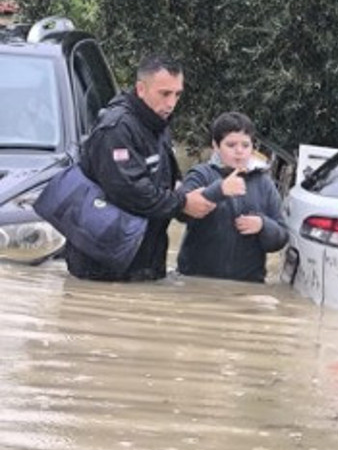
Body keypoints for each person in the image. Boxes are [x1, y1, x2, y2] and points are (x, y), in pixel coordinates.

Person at [65, 54, 215, 281]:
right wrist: (183, 203)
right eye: (164, 93)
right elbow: (130, 192)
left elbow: (165, 179)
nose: (171, 103)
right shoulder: (116, 129)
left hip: (142, 259)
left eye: (177, 94)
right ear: (141, 89)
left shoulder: (157, 123)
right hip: (104, 267)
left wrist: (187, 194)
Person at [177, 111, 288, 283]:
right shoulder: (200, 175)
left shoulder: (264, 183)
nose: (239, 151)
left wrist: (263, 225)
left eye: (246, 145)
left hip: (248, 286)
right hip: (196, 281)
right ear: (215, 145)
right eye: (231, 145)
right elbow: (179, 211)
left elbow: (281, 238)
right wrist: (218, 190)